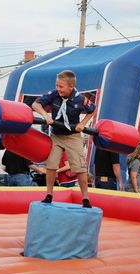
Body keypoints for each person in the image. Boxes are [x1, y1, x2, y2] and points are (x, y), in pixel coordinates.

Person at [32, 70, 96, 207]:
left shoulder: (80, 98)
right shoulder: (54, 95)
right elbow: (35, 104)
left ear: (71, 86)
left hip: (73, 136)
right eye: (57, 85)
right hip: (56, 136)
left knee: (80, 167)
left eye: (61, 86)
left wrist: (82, 124)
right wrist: (45, 115)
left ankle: (85, 198)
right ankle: (49, 194)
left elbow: (92, 109)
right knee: (51, 165)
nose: (58, 89)